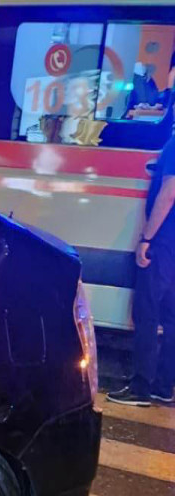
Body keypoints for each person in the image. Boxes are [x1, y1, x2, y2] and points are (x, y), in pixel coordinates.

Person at [107, 125, 175, 406]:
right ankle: (164, 386)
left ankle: (140, 388)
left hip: (164, 240)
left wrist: (147, 238)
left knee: (146, 312)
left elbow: (169, 192)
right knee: (171, 318)